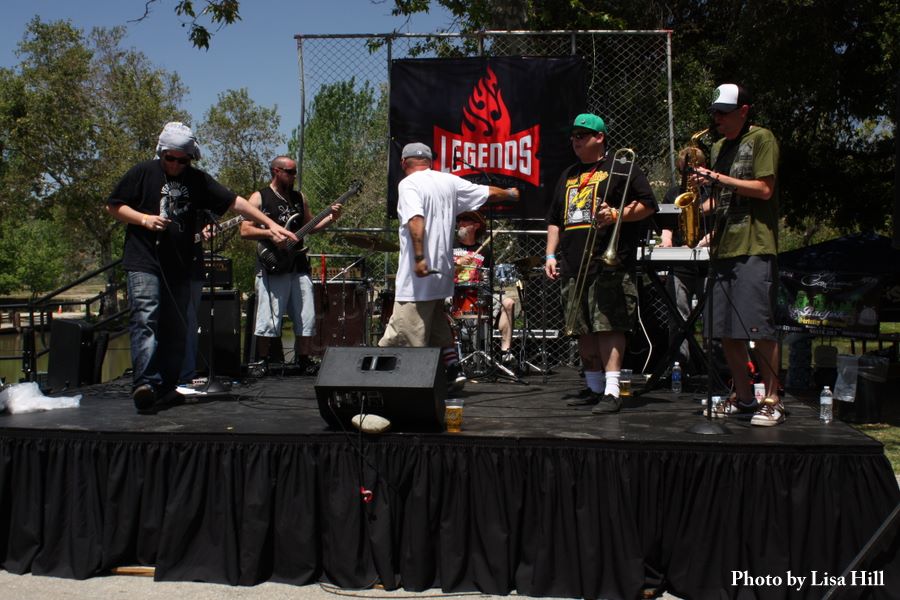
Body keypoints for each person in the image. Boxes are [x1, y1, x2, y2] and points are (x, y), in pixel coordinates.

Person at [107, 122, 298, 413]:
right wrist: (144, 219)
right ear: (161, 152)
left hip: (180, 264)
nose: (175, 164)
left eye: (182, 160)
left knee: (177, 327)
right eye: (170, 158)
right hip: (144, 260)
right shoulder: (143, 172)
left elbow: (236, 202)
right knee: (146, 318)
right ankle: (144, 384)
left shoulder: (197, 180)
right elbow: (114, 206)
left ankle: (166, 388)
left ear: (190, 159)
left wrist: (271, 225)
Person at [378, 142, 518, 389]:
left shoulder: (408, 184)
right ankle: (453, 370)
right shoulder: (448, 181)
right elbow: (488, 192)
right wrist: (509, 193)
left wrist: (419, 258)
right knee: (436, 325)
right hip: (441, 275)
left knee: (403, 334)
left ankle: (399, 386)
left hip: (417, 278)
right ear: (430, 162)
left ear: (403, 163)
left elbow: (415, 219)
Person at [545, 113, 658, 414]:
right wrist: (550, 254)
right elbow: (555, 220)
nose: (575, 140)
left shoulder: (621, 167)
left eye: (582, 135)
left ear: (599, 137)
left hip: (609, 262)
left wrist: (617, 215)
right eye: (573, 136)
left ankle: (612, 390)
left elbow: (648, 204)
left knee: (608, 325)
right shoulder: (568, 174)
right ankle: (594, 387)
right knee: (581, 327)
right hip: (573, 262)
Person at [694, 83, 782, 426]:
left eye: (724, 113)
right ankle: (744, 398)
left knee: (758, 326)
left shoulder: (762, 138)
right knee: (726, 329)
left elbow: (764, 188)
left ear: (743, 111)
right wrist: (695, 203)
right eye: (714, 112)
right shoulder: (719, 146)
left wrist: (716, 177)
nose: (717, 118)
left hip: (754, 243)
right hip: (725, 246)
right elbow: (723, 198)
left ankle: (772, 400)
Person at [240, 155, 342, 371]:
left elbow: (310, 226)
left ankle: (303, 360)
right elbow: (245, 230)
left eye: (295, 172)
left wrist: (331, 218)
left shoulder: (298, 197)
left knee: (306, 313)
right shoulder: (260, 197)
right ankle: (263, 360)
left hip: (298, 263)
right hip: (273, 263)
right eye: (290, 172)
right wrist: (270, 233)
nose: (294, 176)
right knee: (269, 315)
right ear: (276, 171)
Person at [660, 145, 713, 372]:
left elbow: (723, 223)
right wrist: (666, 243)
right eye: (683, 172)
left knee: (712, 317)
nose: (688, 177)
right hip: (681, 264)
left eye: (691, 171)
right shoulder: (674, 193)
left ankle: (714, 367)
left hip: (708, 262)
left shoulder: (713, 192)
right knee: (678, 317)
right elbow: (667, 226)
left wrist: (702, 242)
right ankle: (680, 366)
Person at [451, 210, 517, 363]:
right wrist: (457, 263)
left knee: (508, 303)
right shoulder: (450, 246)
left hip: (479, 294)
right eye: (459, 220)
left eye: (465, 220)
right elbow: (439, 269)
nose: (460, 223)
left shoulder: (485, 251)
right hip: (453, 293)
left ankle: (505, 352)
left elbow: (488, 279)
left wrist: (484, 279)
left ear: (475, 226)